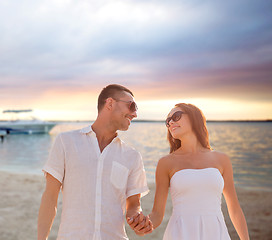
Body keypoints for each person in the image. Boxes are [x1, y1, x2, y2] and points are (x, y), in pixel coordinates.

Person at [37, 84, 153, 240]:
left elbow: (133, 204)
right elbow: (50, 198)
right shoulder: (66, 142)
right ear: (110, 103)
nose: (135, 114)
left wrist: (138, 220)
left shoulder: (132, 156)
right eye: (131, 106)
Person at [128, 103, 250, 239]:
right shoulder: (166, 162)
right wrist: (143, 227)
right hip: (180, 233)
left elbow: (234, 209)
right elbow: (157, 214)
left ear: (194, 118)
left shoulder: (222, 159)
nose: (171, 122)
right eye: (167, 121)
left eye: (176, 116)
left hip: (215, 232)